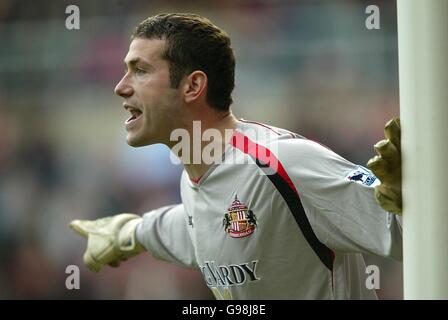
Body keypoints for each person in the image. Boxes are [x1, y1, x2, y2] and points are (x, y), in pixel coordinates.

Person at [69, 13, 402, 299]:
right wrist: (128, 233)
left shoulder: (282, 164)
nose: (121, 86)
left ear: (192, 86)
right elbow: (193, 228)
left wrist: (412, 196)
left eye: (140, 70)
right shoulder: (194, 178)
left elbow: (404, 234)